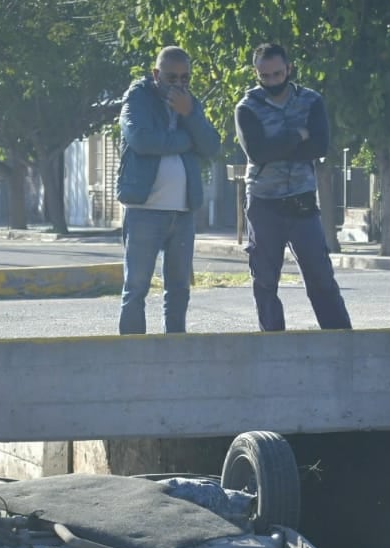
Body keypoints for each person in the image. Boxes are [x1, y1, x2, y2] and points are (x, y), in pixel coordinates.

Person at [235, 43, 351, 332]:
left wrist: (279, 146)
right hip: (264, 202)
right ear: (256, 73)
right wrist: (297, 136)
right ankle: (273, 341)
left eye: (277, 74)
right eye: (265, 76)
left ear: (289, 69)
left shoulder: (311, 101)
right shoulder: (247, 107)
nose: (272, 81)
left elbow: (320, 145)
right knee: (264, 281)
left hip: (302, 201)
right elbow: (256, 153)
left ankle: (340, 339)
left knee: (321, 277)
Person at [117, 46, 221, 334]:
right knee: (136, 288)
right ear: (155, 74)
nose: (178, 84)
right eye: (171, 77)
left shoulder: (189, 104)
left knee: (178, 290)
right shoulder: (137, 98)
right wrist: (187, 140)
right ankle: (132, 354)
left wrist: (189, 116)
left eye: (185, 78)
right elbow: (141, 140)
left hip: (183, 212)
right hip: (144, 211)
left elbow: (212, 145)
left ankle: (175, 351)